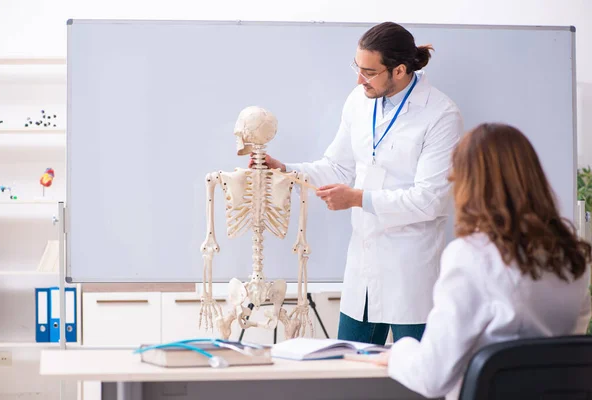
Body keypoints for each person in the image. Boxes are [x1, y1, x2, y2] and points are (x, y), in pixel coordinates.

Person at [251, 22, 463, 343]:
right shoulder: (358, 101)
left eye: (368, 71)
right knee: (347, 374)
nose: (358, 79)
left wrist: (357, 199)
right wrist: (285, 171)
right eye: (357, 67)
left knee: (421, 383)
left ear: (400, 70)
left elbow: (430, 200)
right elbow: (337, 166)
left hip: (409, 272)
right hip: (362, 271)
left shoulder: (440, 115)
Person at [363, 123, 592, 400]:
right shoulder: (572, 257)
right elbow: (564, 357)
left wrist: (399, 350)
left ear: (469, 184)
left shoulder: (472, 256)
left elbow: (431, 377)